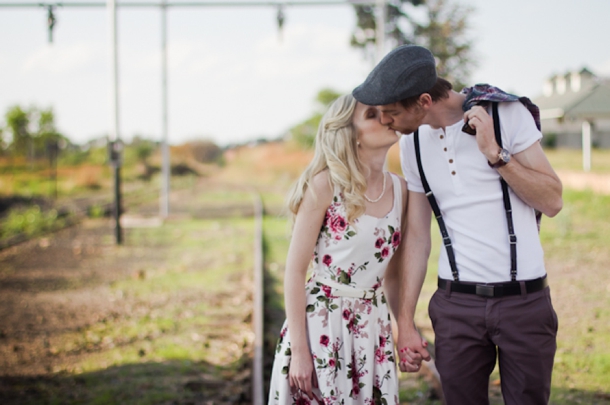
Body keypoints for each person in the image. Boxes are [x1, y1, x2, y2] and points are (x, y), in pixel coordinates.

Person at [352, 45, 563, 405]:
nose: (385, 121)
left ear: (422, 101)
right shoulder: (412, 144)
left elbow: (552, 200)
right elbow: (417, 237)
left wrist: (496, 155)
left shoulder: (506, 114)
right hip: (455, 306)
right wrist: (405, 321)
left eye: (390, 113)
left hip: (524, 303)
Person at [268, 93, 420, 404]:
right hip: (322, 326)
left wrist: (404, 327)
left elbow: (392, 275)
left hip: (372, 328)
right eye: (371, 115)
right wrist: (300, 351)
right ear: (351, 136)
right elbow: (295, 272)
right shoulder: (325, 185)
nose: (387, 117)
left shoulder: (402, 190)